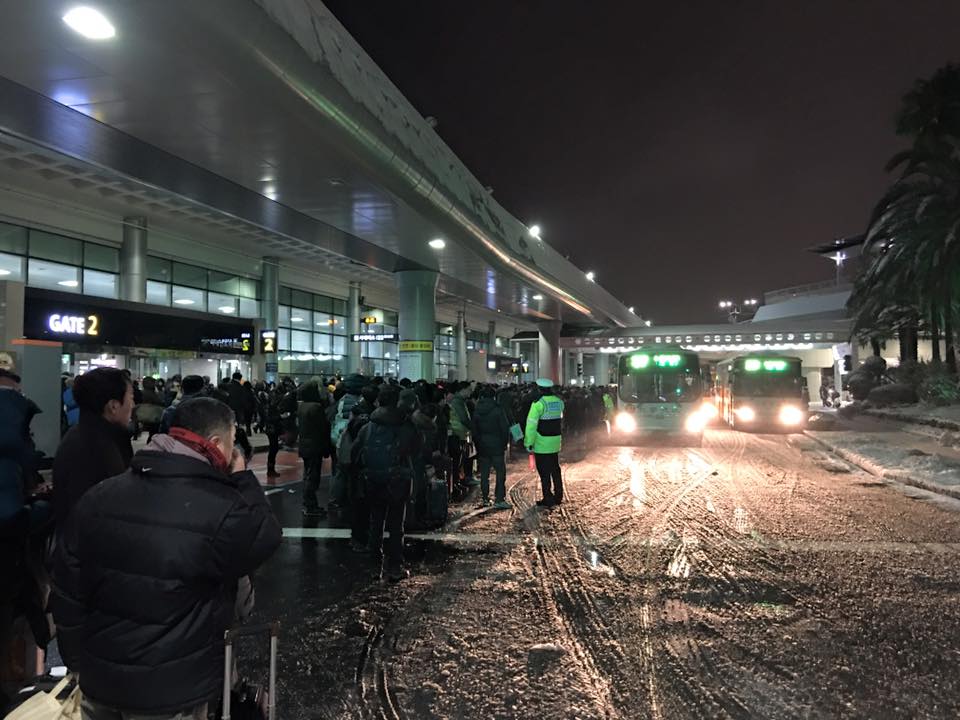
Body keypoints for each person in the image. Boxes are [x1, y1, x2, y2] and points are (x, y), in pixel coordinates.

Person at [51, 397, 281, 720]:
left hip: (100, 682)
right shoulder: (218, 509)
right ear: (216, 444)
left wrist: (78, 663)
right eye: (231, 445)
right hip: (172, 693)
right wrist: (242, 478)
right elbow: (264, 536)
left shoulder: (100, 496)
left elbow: (67, 588)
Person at [352, 385, 420, 582]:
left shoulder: (368, 426)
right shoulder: (405, 425)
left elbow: (355, 453)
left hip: (373, 480)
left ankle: (374, 565)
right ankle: (395, 567)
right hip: (398, 481)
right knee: (396, 525)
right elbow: (416, 449)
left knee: (376, 523)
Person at [53, 368, 134, 531]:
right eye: (131, 398)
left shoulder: (82, 434)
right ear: (113, 406)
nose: (133, 405)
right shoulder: (97, 448)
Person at [525, 378, 564, 507]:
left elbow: (531, 426)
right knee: (555, 469)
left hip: (542, 443)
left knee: (544, 472)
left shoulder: (538, 404)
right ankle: (558, 496)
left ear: (539, 389)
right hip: (555, 441)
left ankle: (548, 497)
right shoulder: (559, 402)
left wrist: (528, 443)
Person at [471, 385, 511, 509]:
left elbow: (474, 430)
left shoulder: (476, 410)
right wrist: (504, 444)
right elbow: (505, 429)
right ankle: (499, 499)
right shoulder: (498, 410)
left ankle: (485, 498)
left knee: (484, 474)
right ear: (494, 397)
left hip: (483, 446)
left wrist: (478, 444)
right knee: (500, 473)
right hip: (497, 446)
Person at [297, 380, 331, 519]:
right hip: (314, 445)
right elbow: (323, 428)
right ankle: (311, 505)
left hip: (305, 444)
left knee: (308, 474)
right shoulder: (316, 407)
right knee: (313, 476)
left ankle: (308, 503)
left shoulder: (302, 406)